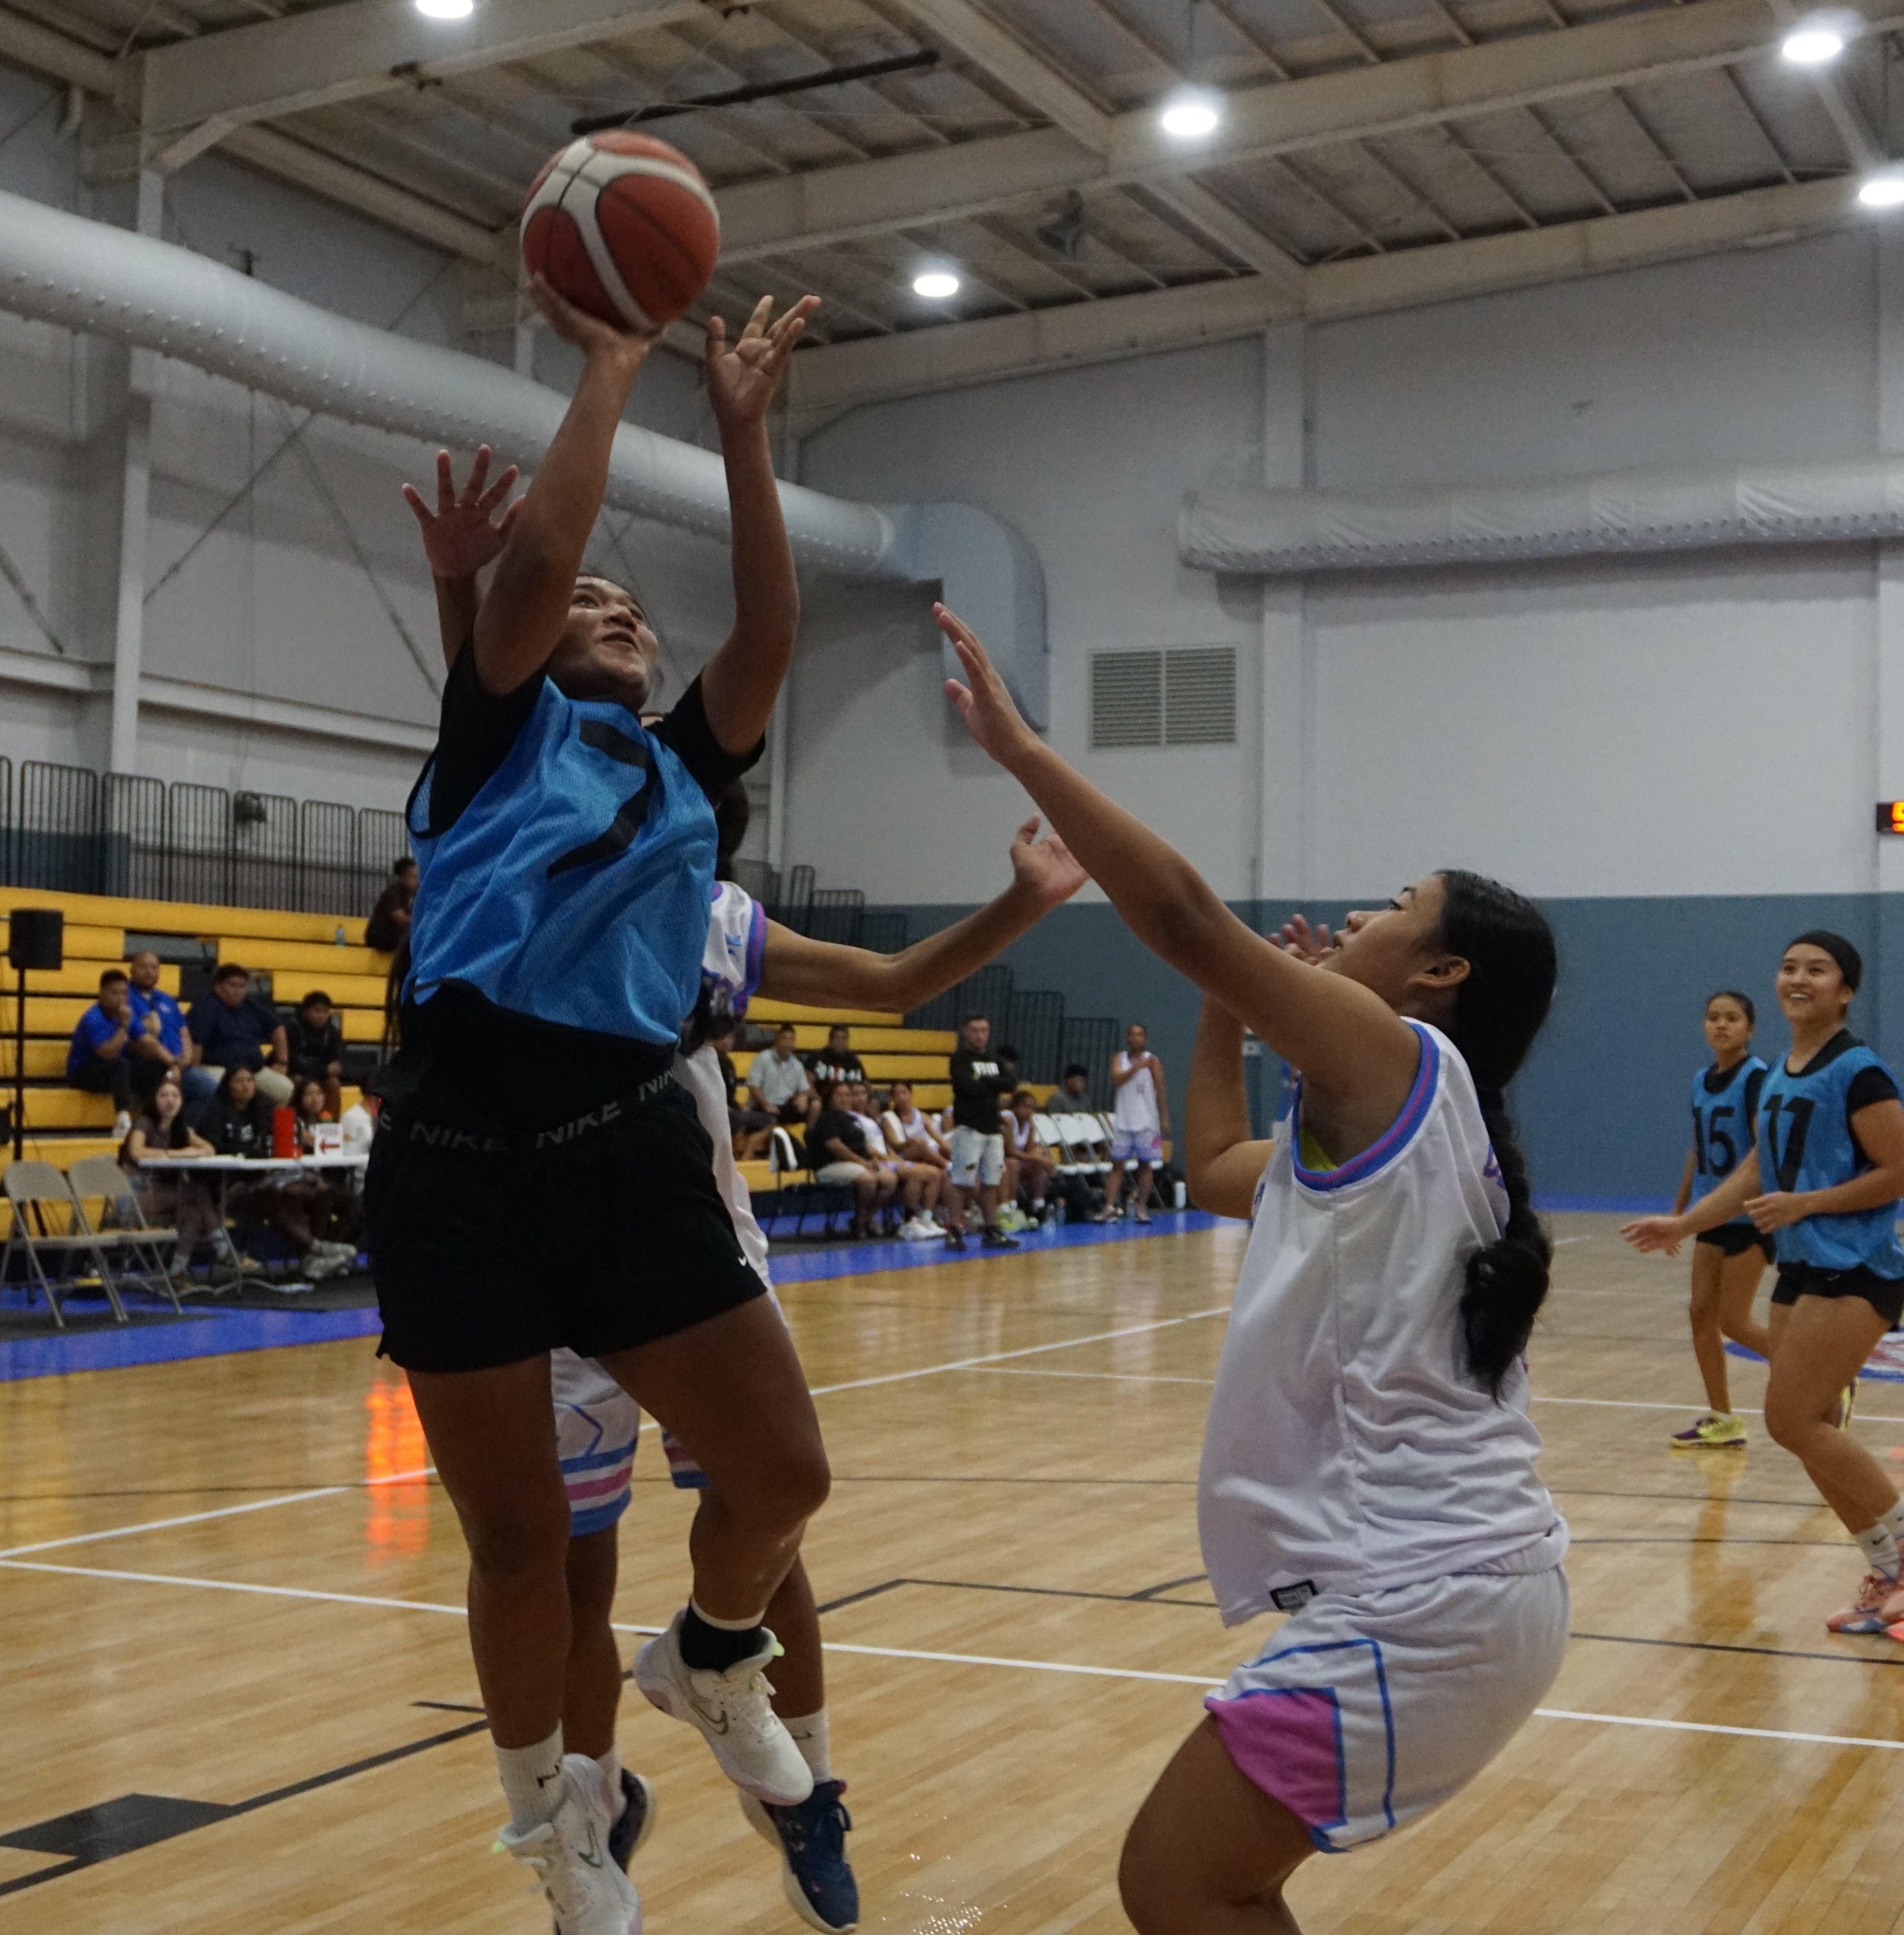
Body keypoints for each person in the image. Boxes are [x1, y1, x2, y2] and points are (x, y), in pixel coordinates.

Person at [938, 602, 1570, 1935]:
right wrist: (1232, 1002)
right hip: (1453, 1589)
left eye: (1395, 905)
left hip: (1433, 1595)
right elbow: (1214, 1155)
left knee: (1178, 1883)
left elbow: (1173, 909)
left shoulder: (1411, 1061)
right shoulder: (1391, 1122)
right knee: (1201, 1885)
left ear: (1440, 968)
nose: (1360, 909)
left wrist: (1023, 747)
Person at [378, 271, 826, 1932]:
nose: (620, 610)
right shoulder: (493, 739)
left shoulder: (680, 769)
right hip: (457, 1160)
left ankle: (711, 1656)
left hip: (625, 1143)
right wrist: (614, 362)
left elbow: (770, 632)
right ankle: (555, 1830)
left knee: (782, 1476)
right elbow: (533, 577)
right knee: (515, 1544)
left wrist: (742, 434)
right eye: (593, 603)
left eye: (638, 605)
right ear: (525, 635)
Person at [546, 802, 1084, 1929]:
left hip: (702, 1244)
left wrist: (1021, 901)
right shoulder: (505, 885)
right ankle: (585, 1807)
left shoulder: (707, 911)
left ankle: (801, 1782)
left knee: (771, 1511)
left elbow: (886, 981)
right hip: (550, 1257)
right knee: (567, 1566)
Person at [1624, 932, 1904, 1638]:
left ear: (1845, 991)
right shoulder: (1779, 1071)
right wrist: (1684, 1224)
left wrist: (1807, 1204)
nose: (1798, 978)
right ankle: (1886, 1569)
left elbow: (1899, 1170)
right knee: (1808, 1430)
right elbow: (1756, 1171)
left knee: (1793, 1421)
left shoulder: (1860, 1072)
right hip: (1803, 1266)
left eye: (1817, 969)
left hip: (1859, 1267)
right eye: (1788, 967)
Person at [1665, 991, 1773, 1449]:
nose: (1721, 1026)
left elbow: (1763, 1150)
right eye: (1713, 1018)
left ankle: (1829, 1375)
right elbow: (1699, 1148)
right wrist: (1680, 1211)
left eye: (1732, 1019)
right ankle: (1723, 1418)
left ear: (1750, 1028)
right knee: (1700, 1313)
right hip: (1712, 1212)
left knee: (1734, 1321)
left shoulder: (1757, 1079)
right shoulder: (1700, 1081)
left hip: (1747, 1214)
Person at [203, 1067, 356, 1282]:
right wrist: (247, 1150)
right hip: (227, 1186)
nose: (246, 1085)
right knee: (277, 1195)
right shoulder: (215, 1112)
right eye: (239, 1081)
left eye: (249, 1080)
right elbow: (216, 1147)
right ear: (228, 1085)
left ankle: (312, 1257)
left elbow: (264, 1149)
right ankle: (318, 1250)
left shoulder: (260, 1110)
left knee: (302, 1196)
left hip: (261, 1182)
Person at [119, 1072, 221, 1269]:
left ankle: (177, 1272)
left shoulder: (179, 1129)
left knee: (192, 1213)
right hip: (134, 1196)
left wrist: (190, 1151)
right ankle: (224, 1249)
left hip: (162, 1195)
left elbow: (209, 1149)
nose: (170, 1101)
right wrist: (175, 1154)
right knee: (196, 1190)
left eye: (175, 1096)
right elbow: (137, 1152)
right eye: (164, 1096)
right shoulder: (144, 1123)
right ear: (154, 1100)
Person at [944, 1013, 1019, 1251]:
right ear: (966, 1032)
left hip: (992, 1128)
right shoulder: (959, 1059)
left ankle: (991, 1228)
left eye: (984, 1030)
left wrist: (984, 1082)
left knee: (991, 1181)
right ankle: (954, 1229)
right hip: (969, 1128)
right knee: (962, 1181)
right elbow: (966, 1087)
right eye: (975, 1030)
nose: (980, 1035)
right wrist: (992, 1084)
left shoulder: (993, 1059)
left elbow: (1011, 1084)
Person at [67, 968, 166, 1134]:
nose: (121, 999)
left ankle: (152, 1119)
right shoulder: (93, 1018)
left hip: (115, 1071)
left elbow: (147, 1041)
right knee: (119, 1064)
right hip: (84, 1071)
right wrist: (123, 1027)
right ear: (102, 993)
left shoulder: (127, 1013)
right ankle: (123, 1119)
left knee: (154, 1065)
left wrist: (172, 1062)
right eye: (115, 993)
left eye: (124, 994)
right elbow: (108, 1053)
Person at [846, 1079, 943, 1238]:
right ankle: (909, 1222)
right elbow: (865, 1146)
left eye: (863, 1093)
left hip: (888, 1159)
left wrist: (896, 1157)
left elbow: (884, 1143)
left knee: (935, 1173)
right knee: (922, 1174)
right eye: (856, 1094)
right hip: (877, 1161)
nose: (861, 1098)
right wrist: (888, 1158)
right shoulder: (851, 1118)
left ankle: (925, 1219)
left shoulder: (870, 1117)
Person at [187, 964, 293, 1107]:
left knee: (285, 1089)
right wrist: (196, 1070)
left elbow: (278, 1027)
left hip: (253, 1070)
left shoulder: (251, 1006)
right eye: (233, 986)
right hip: (219, 1069)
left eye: (242, 986)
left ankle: (268, 1127)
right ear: (218, 987)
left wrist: (282, 1062)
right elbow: (196, 1042)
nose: (238, 991)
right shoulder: (206, 1007)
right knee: (213, 1088)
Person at [126, 950, 216, 1115]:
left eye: (154, 967)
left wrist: (187, 1057)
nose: (149, 971)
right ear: (131, 970)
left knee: (213, 1092)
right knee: (176, 1094)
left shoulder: (167, 999)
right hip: (151, 1066)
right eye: (143, 967)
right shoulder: (125, 997)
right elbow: (142, 1041)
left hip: (180, 1064)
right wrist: (173, 1065)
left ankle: (185, 1131)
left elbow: (183, 1031)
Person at [1097, 1022, 1168, 1224]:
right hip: (1124, 1120)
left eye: (1139, 1035)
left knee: (1145, 1166)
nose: (1135, 1038)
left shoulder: (1153, 1061)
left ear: (1145, 1039)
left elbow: (1160, 1089)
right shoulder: (1119, 1059)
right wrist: (1137, 1068)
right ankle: (1109, 1206)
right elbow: (1117, 1079)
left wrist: (1164, 1117)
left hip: (1147, 1122)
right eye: (1132, 1034)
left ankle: (1141, 1207)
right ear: (1128, 1038)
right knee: (1117, 1164)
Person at [809, 1080, 899, 1238]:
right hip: (831, 1165)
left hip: (857, 1164)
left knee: (890, 1180)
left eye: (848, 1095)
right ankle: (860, 1222)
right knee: (868, 1180)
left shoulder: (853, 1120)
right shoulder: (827, 1119)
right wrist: (862, 1163)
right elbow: (836, 1147)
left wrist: (873, 1159)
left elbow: (863, 1146)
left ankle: (865, 1219)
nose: (845, 1099)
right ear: (830, 1098)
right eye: (840, 1095)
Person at [285, 990, 345, 1122]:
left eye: (325, 1012)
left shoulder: (332, 1033)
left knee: (334, 1083)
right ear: (306, 1011)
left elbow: (337, 1065)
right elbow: (293, 1062)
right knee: (296, 1081)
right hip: (295, 1074)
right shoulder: (293, 1028)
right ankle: (297, 1125)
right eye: (317, 1011)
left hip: (318, 1076)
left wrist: (321, 1069)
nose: (321, 1016)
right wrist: (324, 1069)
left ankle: (330, 1126)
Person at [1003, 1087, 1057, 1225]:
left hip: (1019, 1160)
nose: (1030, 1111)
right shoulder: (1008, 1120)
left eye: (1033, 1108)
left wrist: (1043, 1158)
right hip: (1003, 1161)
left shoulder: (1029, 1125)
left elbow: (1030, 1151)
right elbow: (1009, 1151)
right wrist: (1038, 1158)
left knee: (1039, 1164)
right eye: (1026, 1107)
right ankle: (1012, 1205)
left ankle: (1038, 1205)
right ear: (1016, 1107)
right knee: (1014, 1163)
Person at [747, 1023, 813, 1125]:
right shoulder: (763, 1058)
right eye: (785, 1039)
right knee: (767, 1117)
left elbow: (804, 1089)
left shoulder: (797, 1065)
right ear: (777, 1040)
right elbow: (753, 1086)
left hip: (786, 1108)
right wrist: (766, 1105)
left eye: (792, 1039)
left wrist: (802, 1097)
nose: (788, 1043)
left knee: (812, 1107)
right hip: (763, 1106)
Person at [881, 1078, 950, 1172]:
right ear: (893, 1099)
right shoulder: (889, 1118)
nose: (901, 1097)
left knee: (952, 1140)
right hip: (906, 1151)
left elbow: (939, 1139)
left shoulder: (921, 1115)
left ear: (910, 1094)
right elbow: (894, 1145)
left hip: (928, 1148)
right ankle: (949, 1166)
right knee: (920, 1144)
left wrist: (947, 1147)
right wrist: (908, 1143)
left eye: (904, 1093)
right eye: (897, 1095)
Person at [804, 1024, 865, 1123]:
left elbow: (865, 1084)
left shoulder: (854, 1060)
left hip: (848, 1099)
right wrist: (816, 1097)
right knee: (816, 1105)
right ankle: (810, 1135)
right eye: (837, 1038)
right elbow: (807, 1083)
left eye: (844, 1039)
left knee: (872, 1102)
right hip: (823, 1098)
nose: (840, 1042)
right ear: (830, 1040)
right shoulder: (817, 1057)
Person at [366, 855, 419, 952]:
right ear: (404, 877)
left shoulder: (415, 894)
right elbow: (400, 918)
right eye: (413, 877)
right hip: (381, 936)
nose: (417, 881)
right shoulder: (394, 892)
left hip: (395, 935)